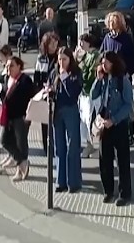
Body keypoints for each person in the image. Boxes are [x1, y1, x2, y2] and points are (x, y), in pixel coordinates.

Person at [90, 50, 134, 206]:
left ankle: (125, 193)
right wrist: (97, 79)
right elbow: (93, 95)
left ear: (114, 63)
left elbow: (127, 105)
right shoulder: (103, 80)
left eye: (106, 63)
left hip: (118, 124)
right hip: (104, 123)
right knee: (105, 159)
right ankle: (108, 191)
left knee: (122, 160)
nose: (104, 65)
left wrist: (114, 120)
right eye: (102, 63)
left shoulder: (122, 81)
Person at [99, 11, 134, 145]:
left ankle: (130, 134)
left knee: (127, 105)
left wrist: (128, 73)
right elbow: (101, 54)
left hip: (123, 77)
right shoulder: (107, 38)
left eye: (114, 21)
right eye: (110, 21)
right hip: (110, 78)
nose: (112, 23)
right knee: (110, 104)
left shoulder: (126, 38)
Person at [49, 45, 84, 192]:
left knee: (73, 146)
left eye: (64, 59)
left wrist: (65, 78)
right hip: (57, 111)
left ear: (70, 60)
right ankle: (61, 181)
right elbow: (51, 87)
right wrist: (49, 91)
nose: (61, 63)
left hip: (70, 110)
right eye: (59, 59)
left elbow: (74, 93)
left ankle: (73, 182)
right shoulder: (54, 72)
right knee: (59, 146)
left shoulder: (76, 73)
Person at [0, 55, 38, 180]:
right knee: (4, 140)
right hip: (8, 116)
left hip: (21, 117)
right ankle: (22, 162)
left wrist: (28, 115)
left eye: (11, 66)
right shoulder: (6, 78)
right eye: (7, 66)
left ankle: (20, 170)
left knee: (21, 143)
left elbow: (32, 97)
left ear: (19, 66)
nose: (8, 68)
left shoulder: (25, 81)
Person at [76, 32, 103, 159]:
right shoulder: (85, 55)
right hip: (84, 93)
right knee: (84, 120)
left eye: (83, 42)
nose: (80, 44)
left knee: (94, 120)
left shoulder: (95, 55)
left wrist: (82, 77)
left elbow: (90, 74)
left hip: (93, 92)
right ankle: (88, 144)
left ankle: (99, 147)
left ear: (89, 42)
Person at [32, 31, 60, 152]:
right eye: (51, 43)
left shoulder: (60, 56)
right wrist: (40, 92)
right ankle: (47, 148)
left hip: (57, 94)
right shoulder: (41, 58)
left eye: (55, 43)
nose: (54, 46)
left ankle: (57, 146)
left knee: (57, 122)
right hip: (44, 94)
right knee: (45, 123)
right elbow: (37, 78)